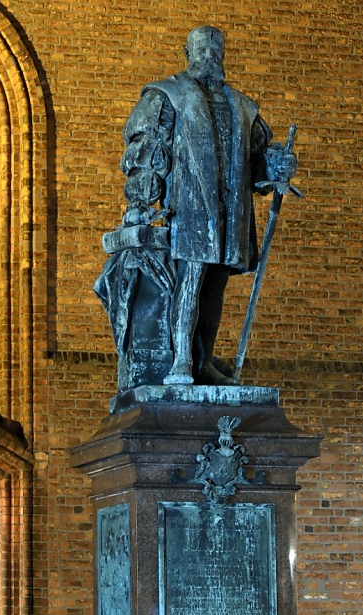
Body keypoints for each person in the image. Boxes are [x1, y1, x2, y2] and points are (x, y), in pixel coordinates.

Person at [119, 25, 297, 385]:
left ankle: (203, 361)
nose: (208, 57)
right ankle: (182, 360)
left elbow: (257, 160)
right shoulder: (169, 95)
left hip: (231, 212)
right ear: (188, 54)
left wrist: (277, 166)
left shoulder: (242, 106)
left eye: (214, 52)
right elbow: (148, 150)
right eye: (201, 51)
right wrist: (142, 201)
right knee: (190, 280)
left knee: (215, 287)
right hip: (190, 207)